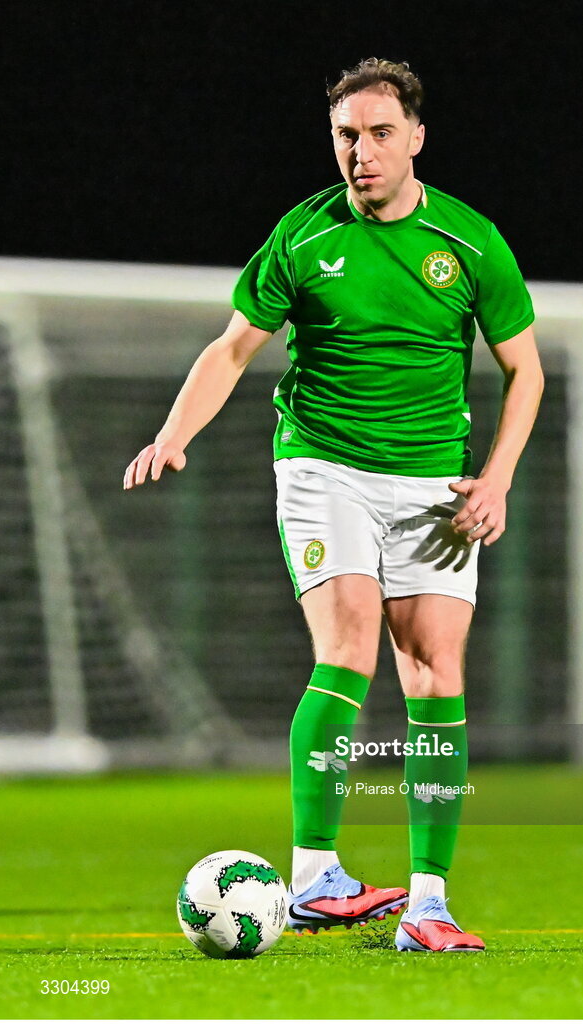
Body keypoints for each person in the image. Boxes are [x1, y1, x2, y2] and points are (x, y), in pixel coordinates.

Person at [124, 57, 544, 953]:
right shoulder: (303, 235)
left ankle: (428, 904)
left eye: (380, 133)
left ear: (416, 138)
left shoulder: (470, 245)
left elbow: (525, 370)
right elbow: (233, 349)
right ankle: (315, 876)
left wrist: (497, 477)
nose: (361, 151)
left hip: (434, 481)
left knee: (435, 674)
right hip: (323, 467)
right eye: (346, 135)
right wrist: (174, 433)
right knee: (349, 645)